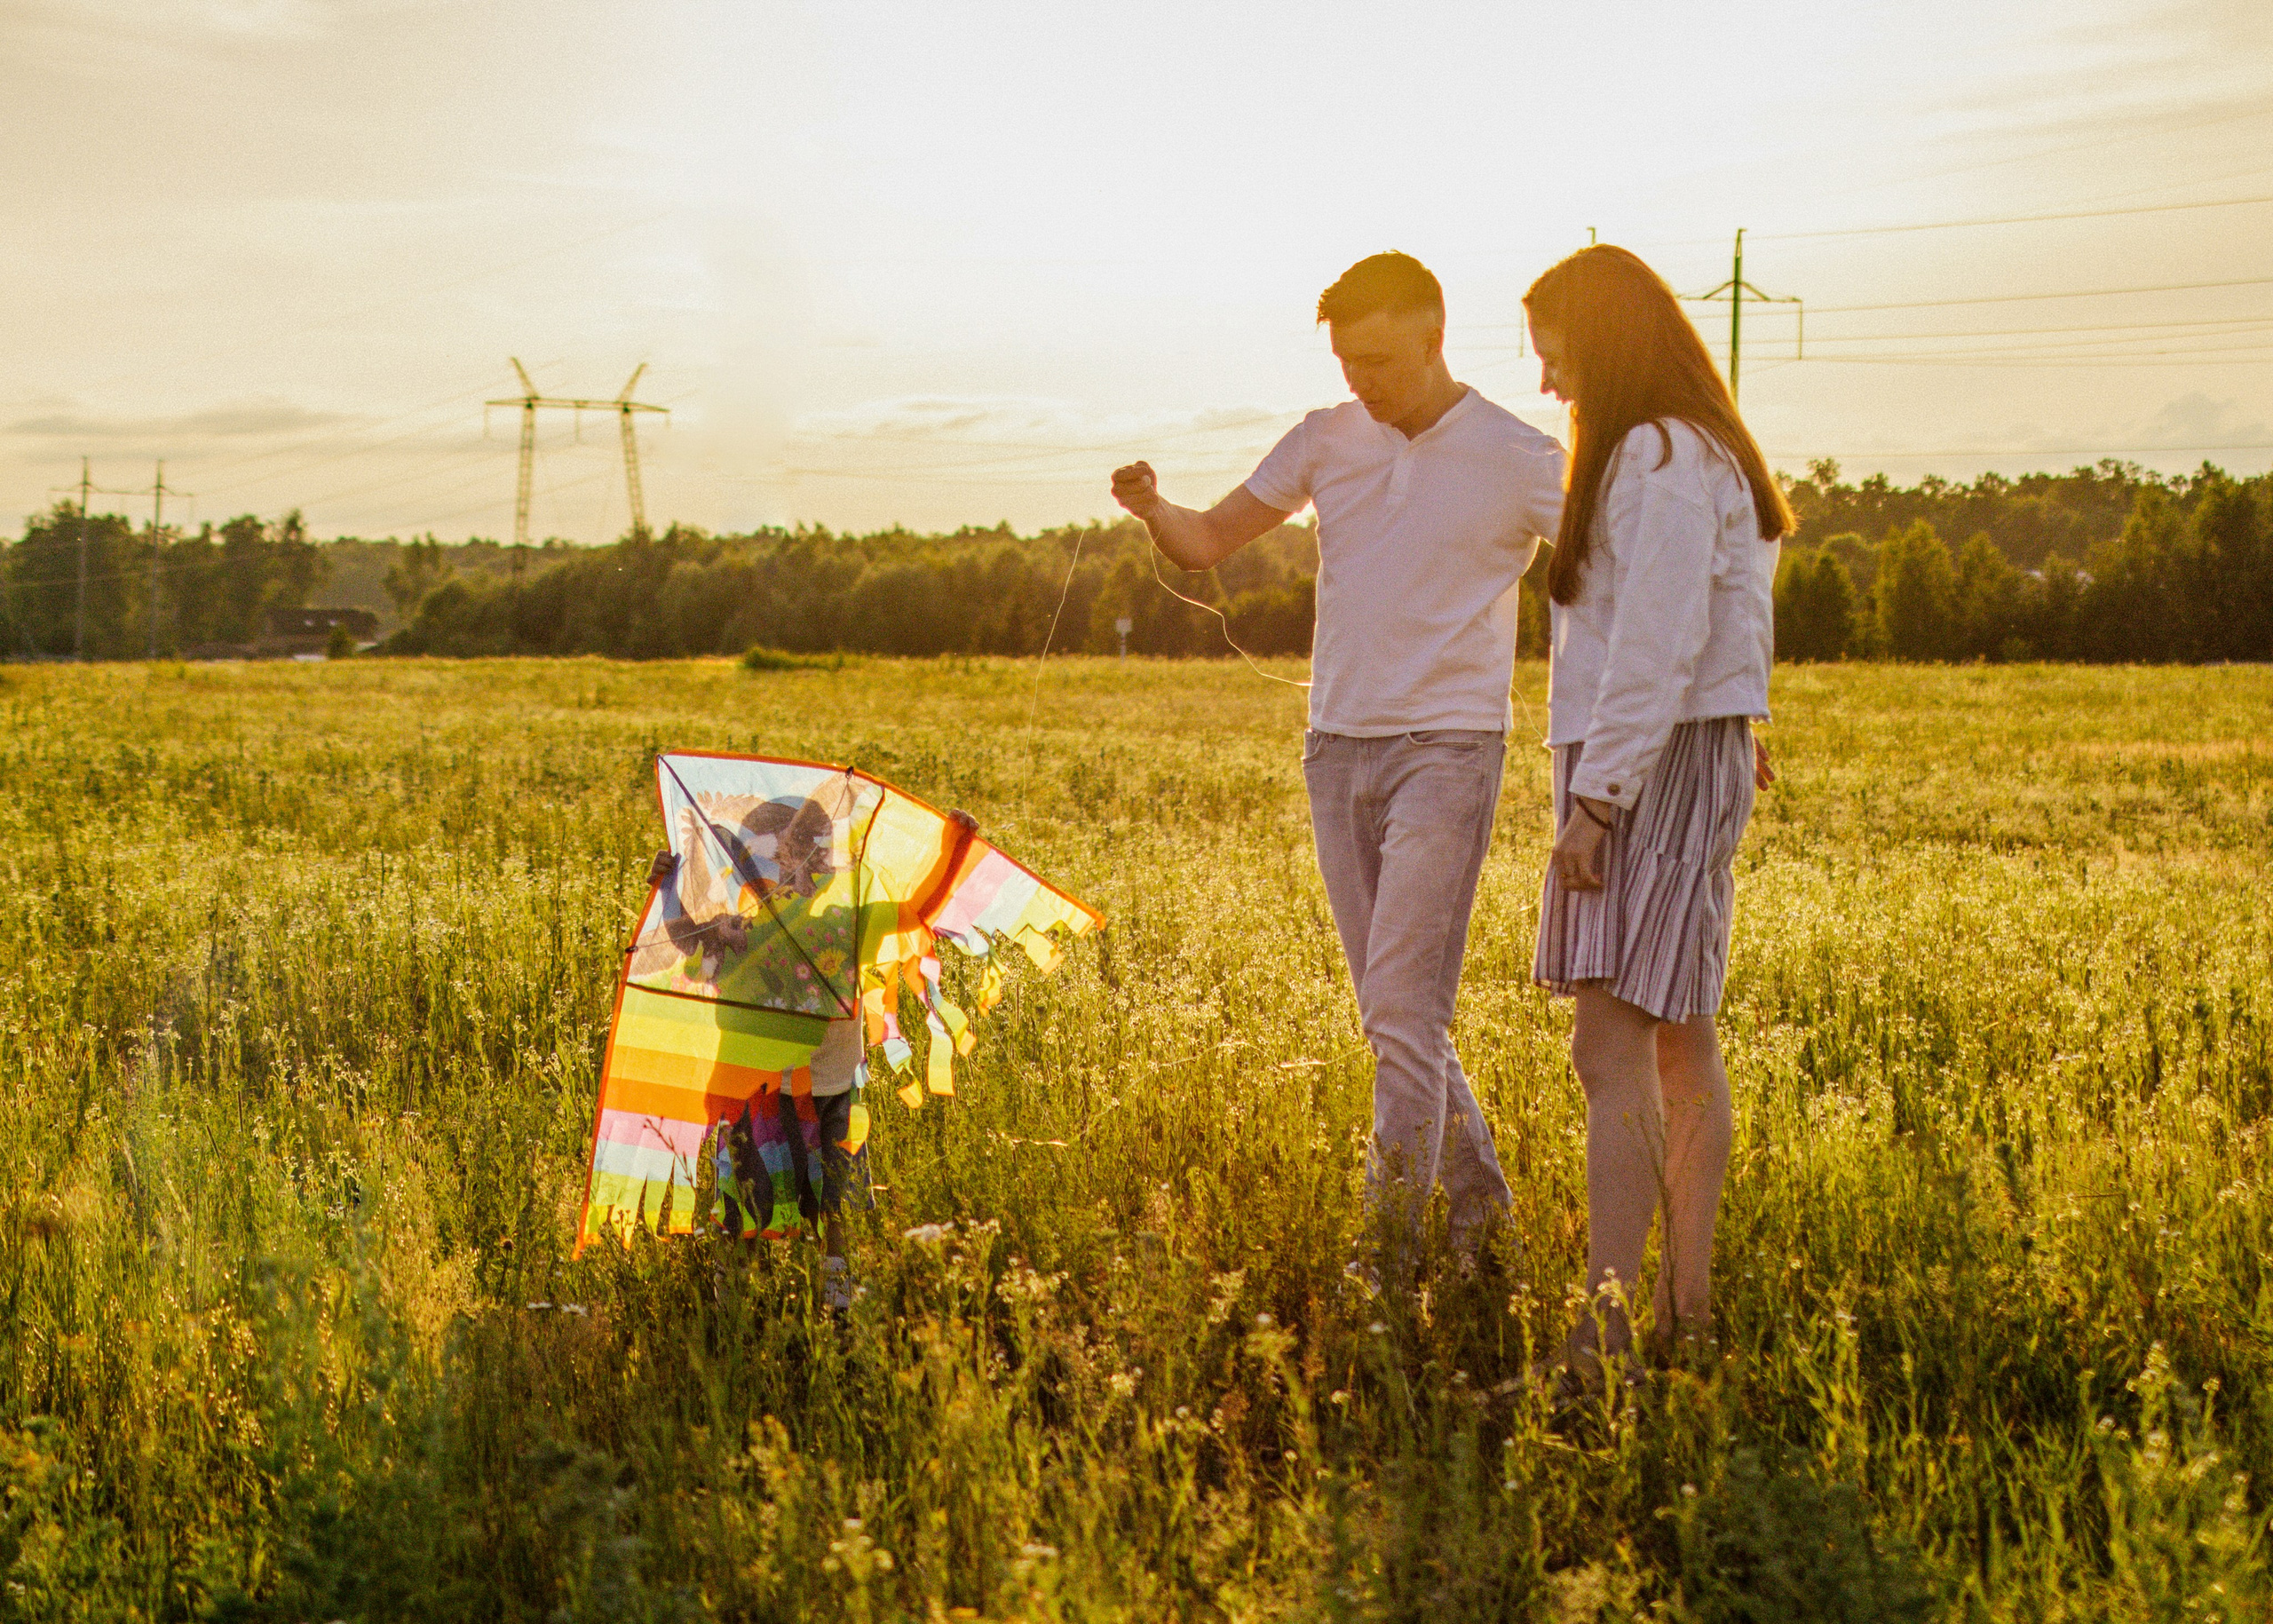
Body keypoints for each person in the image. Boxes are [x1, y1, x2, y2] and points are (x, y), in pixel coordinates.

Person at [1111, 251, 1565, 1269]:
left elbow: (1618, 578)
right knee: (1391, 1016)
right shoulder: (1326, 438)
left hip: (1447, 753)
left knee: (1405, 1013)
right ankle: (1481, 1219)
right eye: (1347, 361)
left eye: (1380, 359)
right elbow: (1208, 540)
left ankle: (1388, 1256)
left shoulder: (1520, 455)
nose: (1361, 380)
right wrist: (1153, 507)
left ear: (1434, 337)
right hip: (1334, 751)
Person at [1521, 244, 1789, 1373]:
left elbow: (1659, 634)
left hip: (1640, 759)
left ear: (1607, 340)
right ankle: (1682, 1312)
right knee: (1677, 1041)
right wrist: (1735, 715)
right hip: (1671, 746)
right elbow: (1709, 622)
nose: (1548, 384)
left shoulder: (1661, 451)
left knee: (1612, 1043)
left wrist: (1598, 797)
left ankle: (1608, 1332)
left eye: (1558, 355)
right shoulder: (1684, 448)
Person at [645, 847, 869, 1313]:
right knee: (745, 1206)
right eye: (781, 858)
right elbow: (689, 940)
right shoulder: (747, 922)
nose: (792, 870)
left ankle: (839, 1312)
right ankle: (731, 1314)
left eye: (803, 855)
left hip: (833, 1088)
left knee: (833, 1209)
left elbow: (915, 911)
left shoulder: (848, 917)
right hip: (759, 1093)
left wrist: (957, 847)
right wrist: (668, 889)